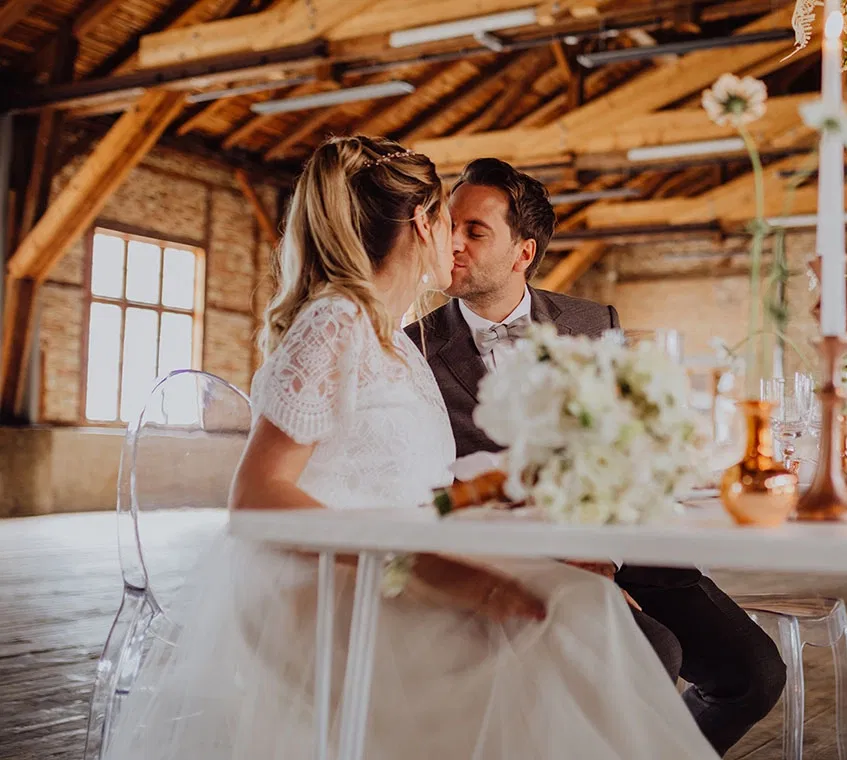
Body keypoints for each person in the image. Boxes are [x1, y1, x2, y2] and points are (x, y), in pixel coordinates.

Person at [101, 136, 719, 760]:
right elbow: (256, 498)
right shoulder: (335, 321)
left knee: (581, 605)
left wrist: (511, 496)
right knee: (574, 627)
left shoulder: (392, 340)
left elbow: (410, 489)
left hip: (396, 569)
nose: (456, 241)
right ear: (421, 225)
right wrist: (446, 574)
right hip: (333, 597)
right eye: (450, 222)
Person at [406, 157, 787, 755]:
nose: (452, 241)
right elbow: (431, 488)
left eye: (475, 231)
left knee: (754, 673)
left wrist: (606, 553)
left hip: (616, 538)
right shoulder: (415, 349)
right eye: (450, 225)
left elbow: (628, 446)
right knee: (652, 654)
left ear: (523, 252)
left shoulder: (593, 322)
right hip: (512, 556)